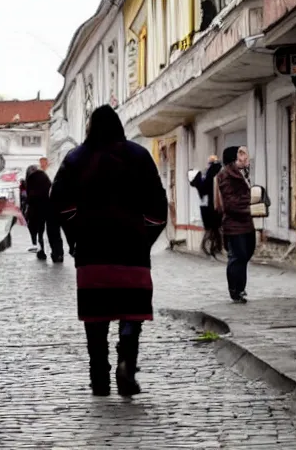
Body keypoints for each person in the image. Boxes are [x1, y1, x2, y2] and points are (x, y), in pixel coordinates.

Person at [50, 105, 167, 397]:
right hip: (133, 254)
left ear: (90, 127)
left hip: (92, 254)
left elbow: (59, 204)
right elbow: (158, 207)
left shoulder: (76, 159)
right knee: (132, 316)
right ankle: (127, 361)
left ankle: (99, 380)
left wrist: (76, 235)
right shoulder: (139, 156)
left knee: (96, 322)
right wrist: (145, 237)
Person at [215, 146, 255, 303]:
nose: (244, 159)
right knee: (238, 257)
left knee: (245, 255)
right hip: (234, 224)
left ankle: (240, 288)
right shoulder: (225, 175)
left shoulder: (243, 174)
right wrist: (249, 205)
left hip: (246, 222)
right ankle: (236, 290)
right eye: (240, 157)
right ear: (232, 161)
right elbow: (230, 202)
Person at [189, 155, 223, 257]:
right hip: (217, 205)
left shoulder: (209, 173)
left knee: (212, 227)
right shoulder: (220, 172)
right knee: (216, 228)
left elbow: (203, 189)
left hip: (209, 207)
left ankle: (214, 246)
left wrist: (198, 183)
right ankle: (217, 246)